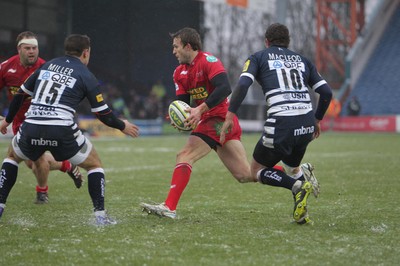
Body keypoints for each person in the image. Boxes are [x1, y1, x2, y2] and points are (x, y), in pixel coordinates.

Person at [140, 27, 287, 219]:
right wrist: (182, 119)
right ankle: (294, 174)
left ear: (188, 46)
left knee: (184, 155)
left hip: (220, 118)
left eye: (176, 47)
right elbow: (183, 104)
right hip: (214, 121)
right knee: (246, 174)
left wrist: (199, 110)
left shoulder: (209, 61)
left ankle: (169, 207)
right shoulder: (179, 73)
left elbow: (225, 88)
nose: (173, 51)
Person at [0, 34, 140, 225]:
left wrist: (7, 121)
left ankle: (0, 206)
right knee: (94, 164)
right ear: (86, 52)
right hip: (60, 129)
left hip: (31, 125)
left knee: (12, 157)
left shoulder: (46, 66)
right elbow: (103, 114)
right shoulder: (85, 74)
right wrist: (123, 125)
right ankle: (100, 216)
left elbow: (20, 95)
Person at [219, 23, 333, 224]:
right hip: (306, 124)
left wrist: (230, 115)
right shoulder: (303, 60)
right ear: (288, 42)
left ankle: (297, 187)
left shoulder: (258, 57)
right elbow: (326, 93)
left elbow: (244, 84)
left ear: (266, 41)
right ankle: (302, 215)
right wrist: (317, 119)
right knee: (292, 168)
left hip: (282, 123)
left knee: (255, 171)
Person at [0, 31, 83, 204]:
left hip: (44, 119)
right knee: (32, 163)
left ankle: (42, 192)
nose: (32, 51)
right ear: (19, 49)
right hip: (19, 122)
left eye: (35, 48)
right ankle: (66, 166)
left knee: (36, 159)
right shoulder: (6, 68)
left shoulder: (47, 68)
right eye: (28, 48)